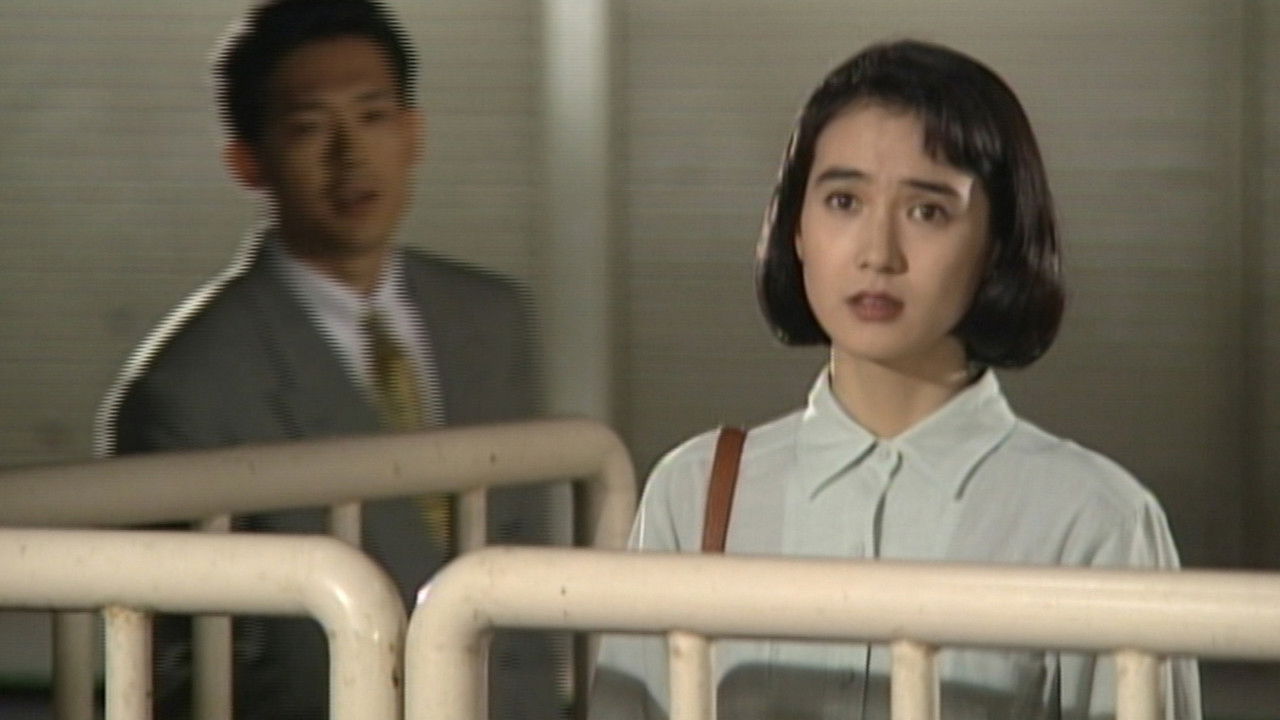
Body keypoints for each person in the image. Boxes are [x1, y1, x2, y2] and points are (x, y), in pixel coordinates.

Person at [589, 39, 1201, 719]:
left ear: (997, 243)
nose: (877, 254)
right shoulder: (694, 489)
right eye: (843, 201)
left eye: (927, 211)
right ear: (796, 228)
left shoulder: (1093, 520)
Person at [94, 1, 556, 718]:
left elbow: (532, 573)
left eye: (373, 116)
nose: (351, 155)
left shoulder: (492, 319)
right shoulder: (186, 387)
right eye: (309, 127)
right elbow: (172, 671)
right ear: (248, 160)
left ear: (413, 132)